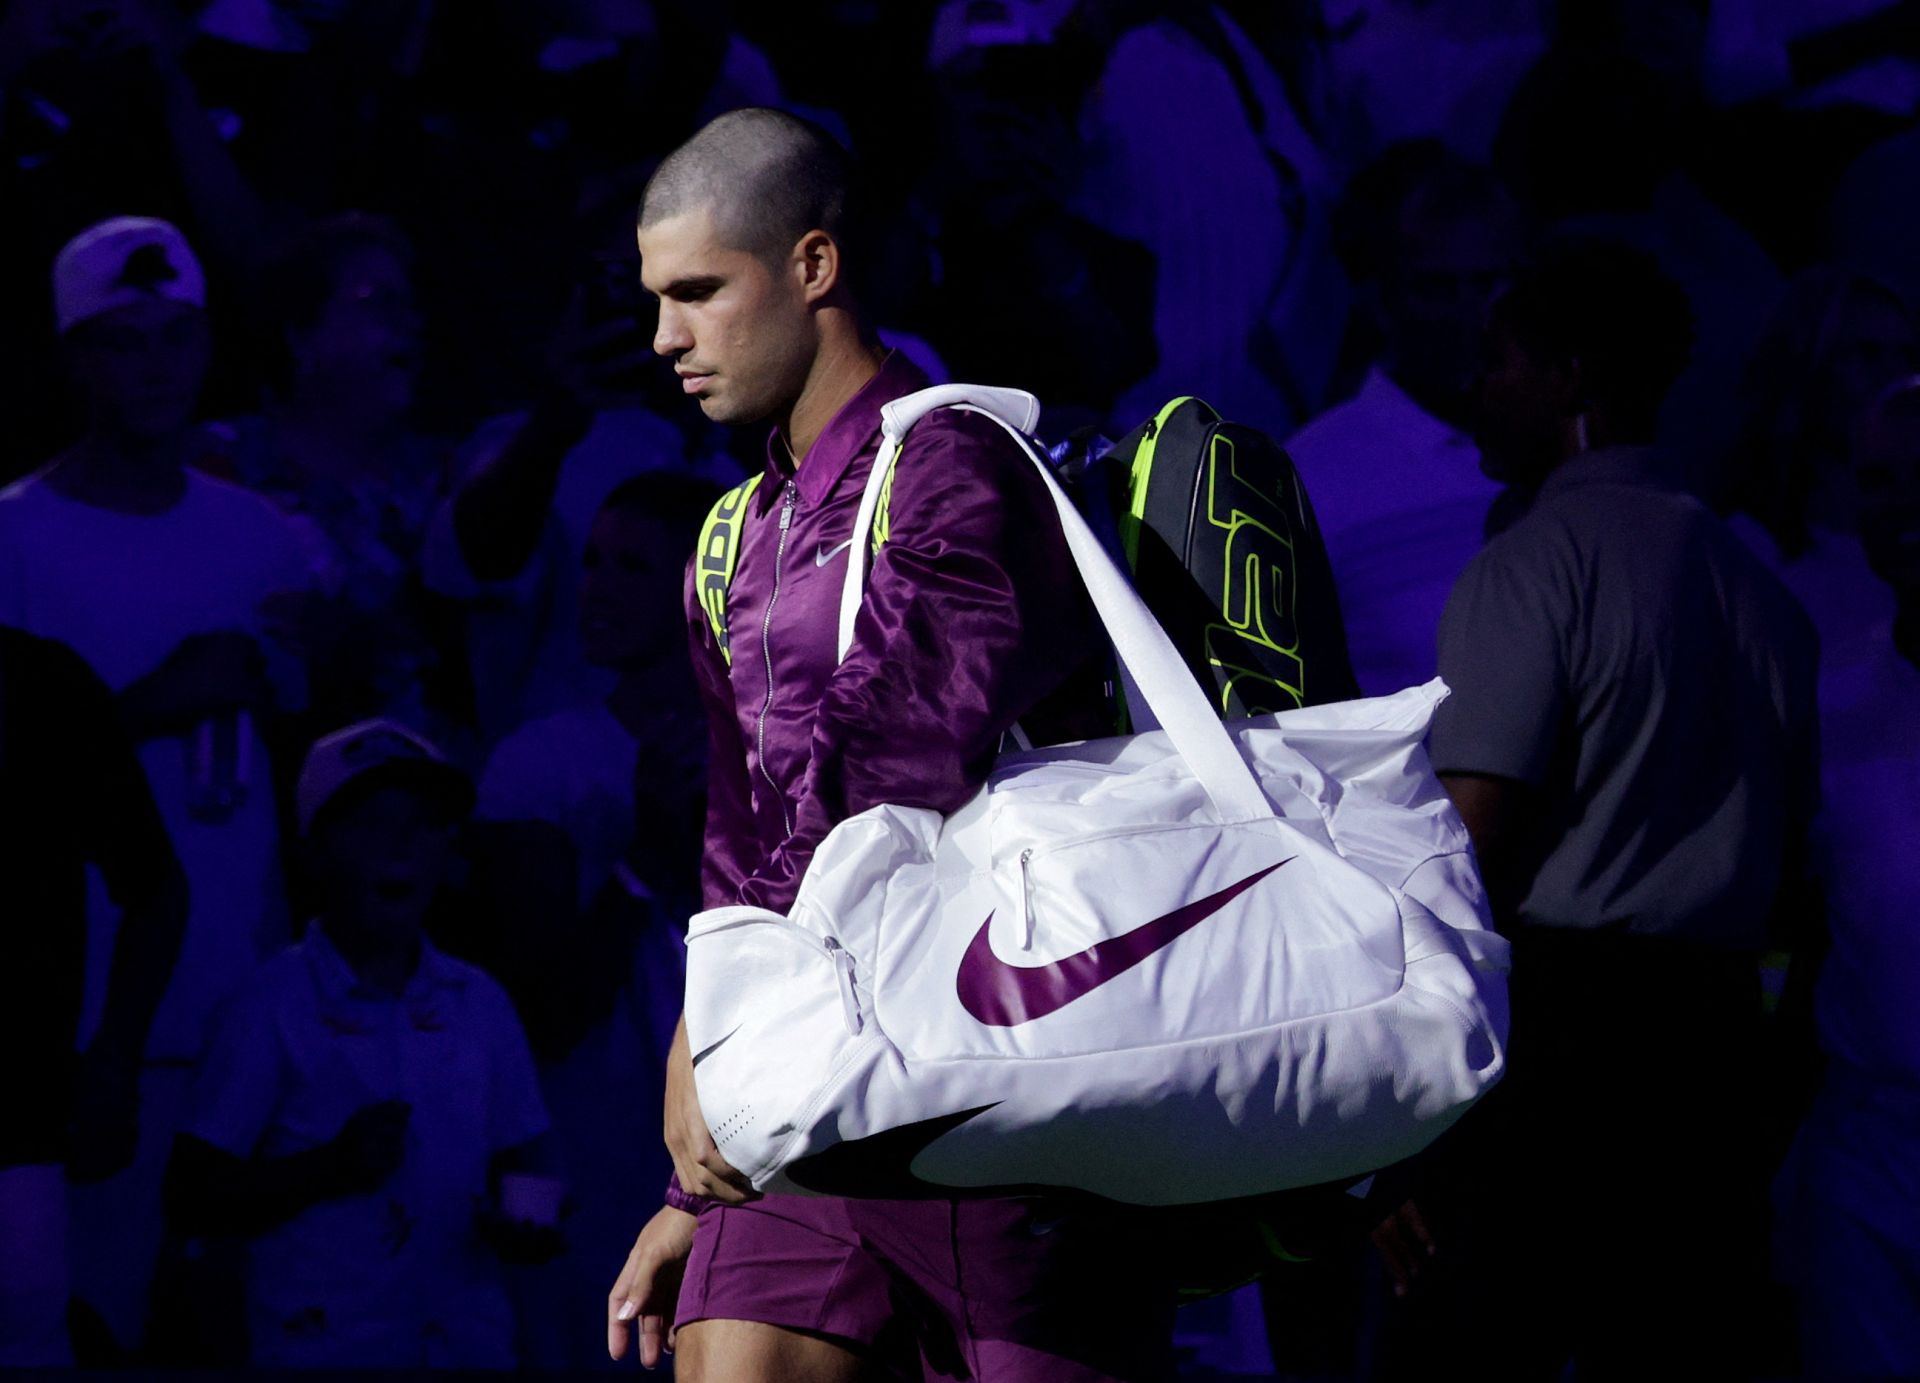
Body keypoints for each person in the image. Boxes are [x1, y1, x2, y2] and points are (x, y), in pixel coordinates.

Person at [605, 107, 1174, 1381]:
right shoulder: (729, 534)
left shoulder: (964, 463)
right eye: (655, 301)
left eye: (698, 292)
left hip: (1000, 1084)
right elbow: (737, 832)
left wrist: (714, 1025)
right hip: (817, 1088)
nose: (665, 338)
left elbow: (887, 759)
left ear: (813, 265)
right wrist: (696, 1172)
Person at [1390, 242, 1819, 1379]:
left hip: (1557, 1046)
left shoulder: (1537, 566)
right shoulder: (1760, 590)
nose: (1476, 388)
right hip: (1714, 1049)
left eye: (1501, 361)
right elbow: (1795, 884)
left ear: (1570, 375)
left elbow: (1468, 848)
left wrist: (1403, 1109)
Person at [0, 215, 322, 1356]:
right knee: (86, 1315)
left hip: (244, 974)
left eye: (177, 337)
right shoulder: (14, 537)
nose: (156, 367)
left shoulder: (260, 534)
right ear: (75, 358)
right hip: (77, 1003)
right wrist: (152, 702)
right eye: (125, 341)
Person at [166, 719, 557, 1369]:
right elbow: (190, 1194)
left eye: (423, 823)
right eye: (371, 822)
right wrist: (329, 1167)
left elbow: (526, 1156)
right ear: (316, 851)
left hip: (467, 1346)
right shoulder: (269, 1005)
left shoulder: (478, 1000)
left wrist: (528, 1220)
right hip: (324, 1351)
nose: (401, 844)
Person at [471, 472, 715, 1368]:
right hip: (594, 1137)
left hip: (739, 1136)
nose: (598, 588)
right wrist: (646, 850)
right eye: (593, 562)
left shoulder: (778, 743)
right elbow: (542, 1005)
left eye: (635, 567)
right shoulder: (543, 760)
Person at [1735, 376, 1920, 1379]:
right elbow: (1802, 929)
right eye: (1881, 479)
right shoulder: (1830, 697)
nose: (1902, 504)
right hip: (1868, 1139)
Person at [0, 627, 187, 1367]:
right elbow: (156, 887)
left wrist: (113, 1063)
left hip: (18, 1131)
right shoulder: (37, 676)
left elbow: (156, 888)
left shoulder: (38, 678)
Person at [202, 212, 462, 741]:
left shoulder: (450, 480)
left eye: (409, 303)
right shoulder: (218, 466)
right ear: (301, 335)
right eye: (377, 301)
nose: (409, 322)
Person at [1284, 140, 1521, 696]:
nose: (1469, 313)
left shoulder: (1567, 449)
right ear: (1380, 296)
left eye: (1487, 283)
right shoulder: (1309, 475)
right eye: (1437, 287)